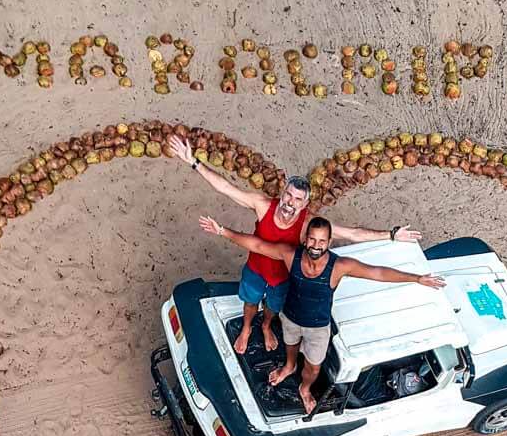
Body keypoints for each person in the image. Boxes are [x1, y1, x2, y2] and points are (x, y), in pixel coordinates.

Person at [168, 134, 423, 356]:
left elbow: (352, 233)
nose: (290, 202)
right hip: (256, 268)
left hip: (283, 278)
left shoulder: (307, 225)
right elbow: (226, 187)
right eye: (288, 195)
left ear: (304, 205)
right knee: (249, 302)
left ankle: (266, 326)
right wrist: (193, 162)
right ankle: (247, 327)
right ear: (282, 195)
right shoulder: (262, 204)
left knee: (272, 308)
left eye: (297, 200)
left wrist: (391, 234)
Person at [199, 214, 446, 415]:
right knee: (290, 347)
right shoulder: (290, 254)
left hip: (318, 328)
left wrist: (417, 279)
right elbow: (257, 245)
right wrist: (223, 231)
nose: (316, 246)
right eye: (312, 240)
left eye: (322, 241)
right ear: (306, 239)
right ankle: (288, 367)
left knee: (314, 369)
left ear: (329, 242)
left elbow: (378, 272)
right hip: (290, 317)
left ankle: (305, 389)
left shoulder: (339, 266)